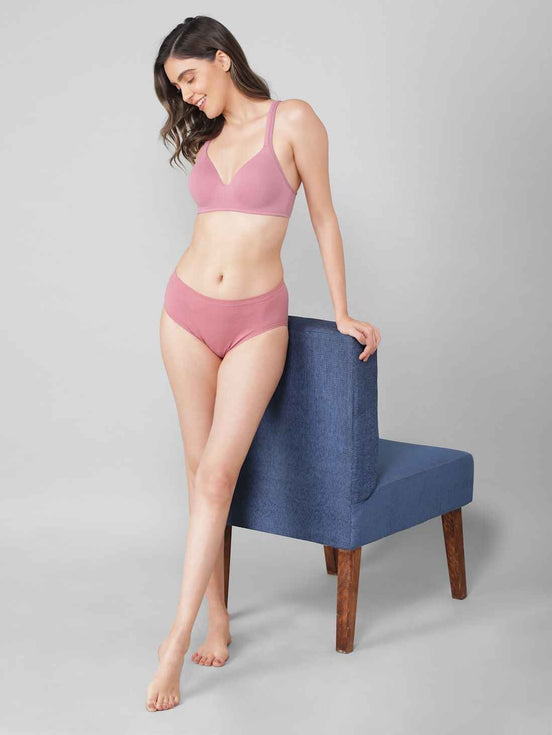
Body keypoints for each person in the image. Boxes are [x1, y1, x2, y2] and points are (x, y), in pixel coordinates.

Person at [147, 15, 381, 712]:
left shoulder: (294, 120)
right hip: (185, 313)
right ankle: (216, 618)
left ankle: (174, 641)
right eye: (176, 88)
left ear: (221, 57)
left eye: (189, 77)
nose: (186, 95)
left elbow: (324, 216)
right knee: (198, 473)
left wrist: (341, 310)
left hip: (256, 322)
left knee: (220, 475)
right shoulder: (206, 137)